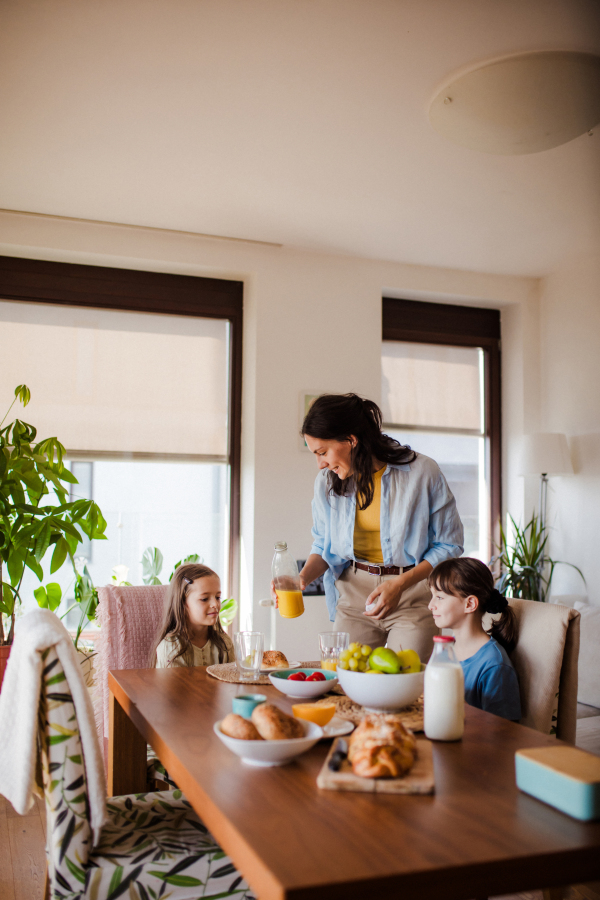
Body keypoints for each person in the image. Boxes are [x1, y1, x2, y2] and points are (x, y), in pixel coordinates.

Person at [298, 393, 464, 663]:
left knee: (403, 687)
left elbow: (450, 545)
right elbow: (323, 544)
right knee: (344, 684)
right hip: (354, 597)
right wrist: (301, 578)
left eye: (323, 452)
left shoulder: (422, 472)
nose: (321, 464)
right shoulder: (326, 482)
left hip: (412, 593)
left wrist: (400, 584)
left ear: (351, 440)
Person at [428, 557, 521, 720]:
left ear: (470, 604)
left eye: (440, 597)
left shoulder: (494, 665)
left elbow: (503, 733)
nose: (430, 605)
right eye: (432, 596)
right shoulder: (446, 652)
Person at [153, 563, 235, 667]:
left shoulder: (224, 643)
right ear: (182, 604)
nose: (215, 604)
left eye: (217, 597)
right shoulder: (170, 649)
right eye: (204, 599)